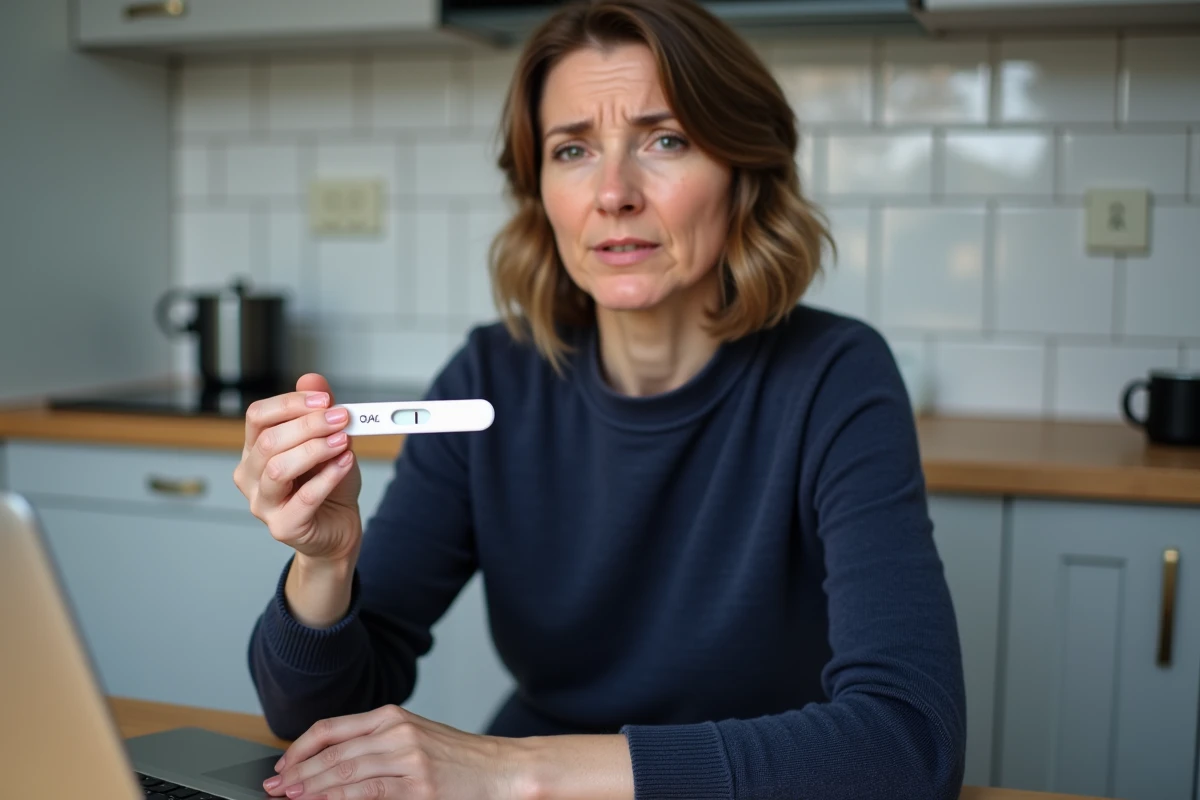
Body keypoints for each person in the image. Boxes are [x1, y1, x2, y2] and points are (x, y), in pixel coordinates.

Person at [234, 0, 967, 797]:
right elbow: (310, 712)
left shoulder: (836, 375)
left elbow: (907, 741)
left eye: (666, 140)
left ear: (744, 172)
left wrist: (518, 770)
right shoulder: (490, 377)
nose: (613, 192)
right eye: (573, 148)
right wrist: (325, 563)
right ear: (540, 192)